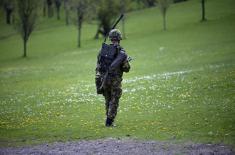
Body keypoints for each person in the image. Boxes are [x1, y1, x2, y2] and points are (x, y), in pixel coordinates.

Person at [95, 29, 131, 127]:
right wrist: (127, 61)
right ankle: (109, 121)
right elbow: (126, 68)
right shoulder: (121, 51)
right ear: (119, 38)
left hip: (104, 79)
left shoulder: (102, 50)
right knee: (114, 100)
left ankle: (108, 119)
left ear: (111, 38)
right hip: (115, 80)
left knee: (108, 99)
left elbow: (98, 65)